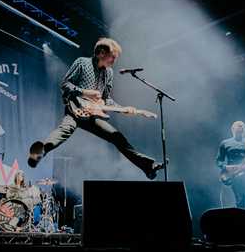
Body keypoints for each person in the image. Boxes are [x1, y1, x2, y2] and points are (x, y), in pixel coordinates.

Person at [28, 37, 164, 180]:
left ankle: (148, 166)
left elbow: (106, 99)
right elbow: (65, 84)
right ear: (100, 53)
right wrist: (85, 92)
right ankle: (39, 152)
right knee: (65, 130)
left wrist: (124, 109)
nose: (114, 61)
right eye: (112, 57)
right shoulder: (82, 63)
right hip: (75, 110)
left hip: (92, 115)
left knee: (117, 137)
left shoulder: (108, 73)